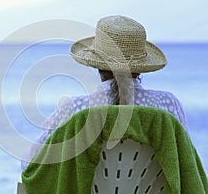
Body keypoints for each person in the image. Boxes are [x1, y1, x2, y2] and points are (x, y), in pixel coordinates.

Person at [21, 15, 189, 170]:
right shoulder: (167, 105)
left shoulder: (75, 109)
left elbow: (30, 164)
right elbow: (187, 166)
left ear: (96, 64)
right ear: (140, 67)